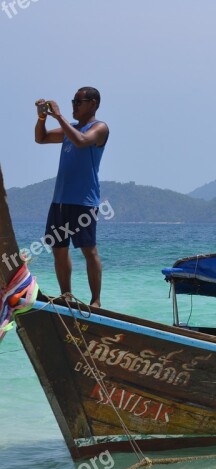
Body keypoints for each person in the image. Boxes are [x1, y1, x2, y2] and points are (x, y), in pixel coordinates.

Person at [35, 87, 109, 307]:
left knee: (89, 249)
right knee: (58, 249)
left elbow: (81, 140)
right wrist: (41, 117)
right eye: (73, 102)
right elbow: (41, 138)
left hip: (83, 201)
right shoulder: (72, 128)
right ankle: (66, 296)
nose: (74, 106)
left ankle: (96, 301)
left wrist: (58, 115)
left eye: (79, 102)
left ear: (93, 103)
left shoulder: (99, 128)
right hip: (60, 200)